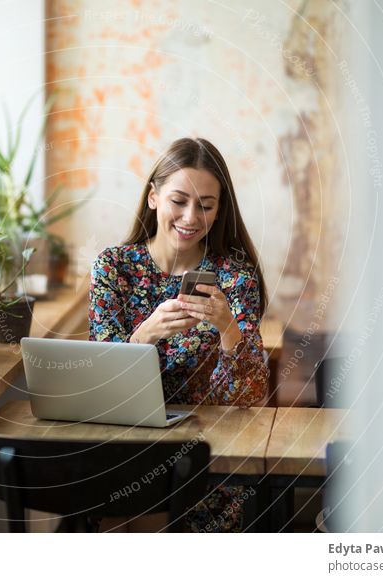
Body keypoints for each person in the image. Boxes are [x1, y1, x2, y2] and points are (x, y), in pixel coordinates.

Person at [88, 137, 269, 532]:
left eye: (206, 205)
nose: (190, 217)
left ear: (219, 211)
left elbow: (247, 398)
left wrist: (228, 330)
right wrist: (143, 337)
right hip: (123, 450)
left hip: (206, 457)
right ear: (153, 197)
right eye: (178, 201)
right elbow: (98, 388)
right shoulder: (113, 268)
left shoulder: (234, 278)